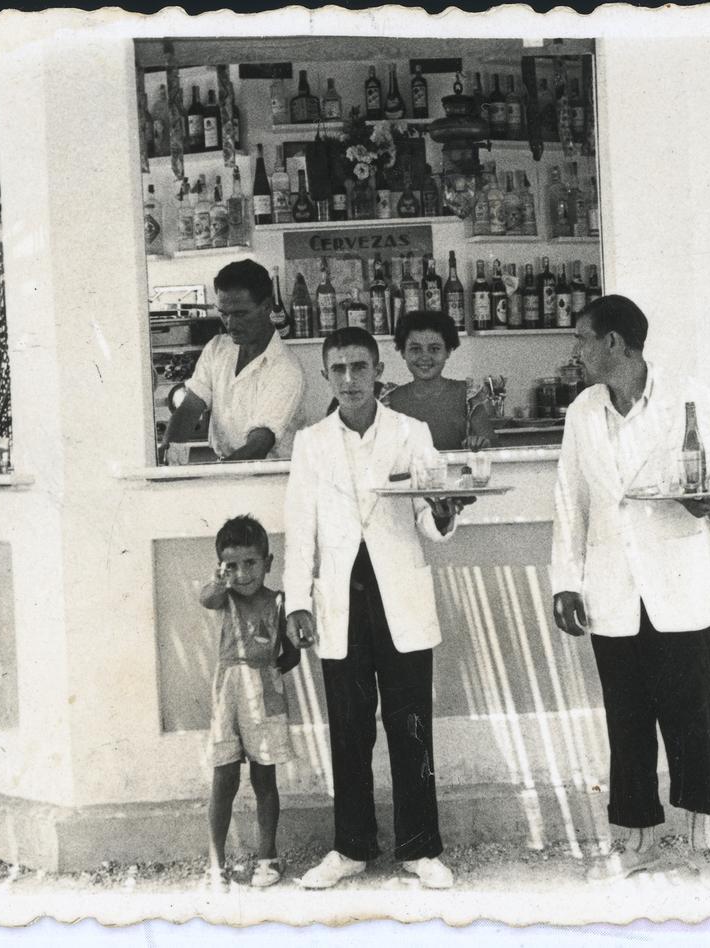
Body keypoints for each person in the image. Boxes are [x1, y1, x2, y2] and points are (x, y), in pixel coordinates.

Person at [550, 295, 710, 879]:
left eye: (582, 339)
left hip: (679, 581)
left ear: (614, 344)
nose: (575, 352)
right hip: (612, 589)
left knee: (691, 714)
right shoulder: (582, 412)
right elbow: (569, 502)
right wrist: (566, 583)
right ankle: (637, 837)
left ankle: (702, 828)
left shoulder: (687, 394)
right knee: (626, 719)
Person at [283, 326, 469, 891]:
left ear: (377, 371)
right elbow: (300, 532)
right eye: (337, 369)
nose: (349, 379)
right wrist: (297, 601)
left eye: (359, 367)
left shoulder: (412, 434)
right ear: (325, 376)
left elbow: (431, 523)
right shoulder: (310, 443)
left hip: (399, 597)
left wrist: (441, 511)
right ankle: (351, 847)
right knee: (348, 728)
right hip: (340, 599)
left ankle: (421, 847)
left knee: (410, 725)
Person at [199, 515, 300, 889]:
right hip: (229, 692)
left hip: (265, 692)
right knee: (224, 777)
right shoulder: (224, 596)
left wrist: (273, 664)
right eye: (232, 566)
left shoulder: (278, 602)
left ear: (268, 563)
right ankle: (215, 862)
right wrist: (218, 580)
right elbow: (206, 597)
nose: (242, 574)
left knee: (264, 776)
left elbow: (290, 654)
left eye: (250, 563)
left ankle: (267, 858)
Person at [160, 259, 305, 463]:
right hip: (228, 467)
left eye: (240, 314)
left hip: (270, 477)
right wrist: (168, 450)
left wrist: (214, 476)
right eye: (224, 314)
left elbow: (258, 446)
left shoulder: (286, 368)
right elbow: (190, 407)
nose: (230, 324)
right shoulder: (217, 348)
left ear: (266, 307)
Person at [385, 310, 495, 451]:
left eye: (434, 349)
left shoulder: (467, 395)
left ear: (448, 351)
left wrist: (480, 443)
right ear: (402, 352)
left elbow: (492, 445)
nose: (425, 357)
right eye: (415, 349)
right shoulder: (390, 399)